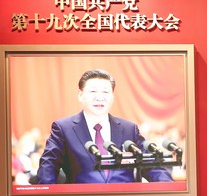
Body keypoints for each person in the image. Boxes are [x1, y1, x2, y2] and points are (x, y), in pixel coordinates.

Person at [35, 69, 173, 184]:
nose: (99, 97)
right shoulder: (63, 128)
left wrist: (167, 188)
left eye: (105, 92)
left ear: (112, 96)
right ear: (80, 95)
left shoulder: (129, 129)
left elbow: (152, 164)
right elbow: (48, 168)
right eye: (93, 92)